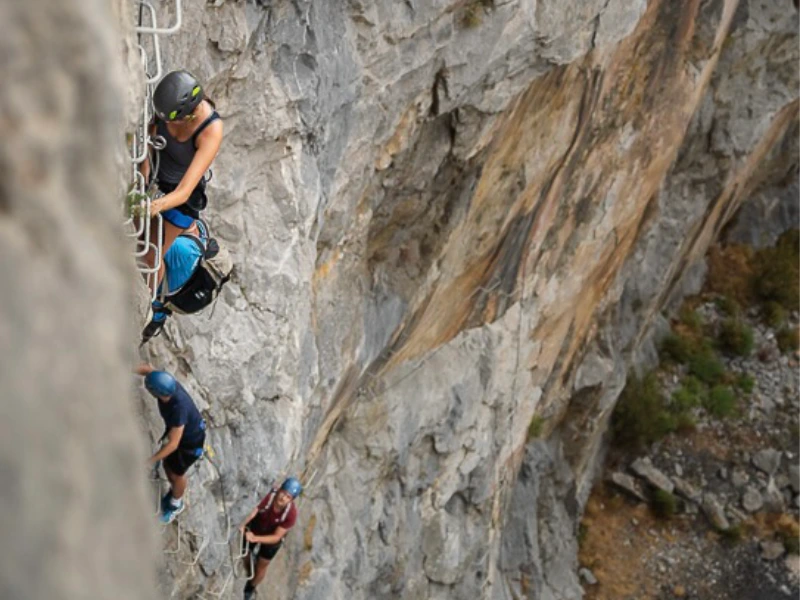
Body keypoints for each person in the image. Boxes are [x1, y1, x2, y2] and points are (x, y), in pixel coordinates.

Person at [141, 69, 223, 287]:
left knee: (151, 254)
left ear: (190, 114)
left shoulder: (210, 129)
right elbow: (150, 142)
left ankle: (151, 309)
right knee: (137, 240)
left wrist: (153, 206)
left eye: (173, 121)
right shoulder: (169, 105)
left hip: (182, 197)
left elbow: (185, 191)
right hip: (156, 180)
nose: (168, 124)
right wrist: (141, 180)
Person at [136, 364, 207, 523]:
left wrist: (150, 461)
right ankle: (175, 492)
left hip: (188, 445)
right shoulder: (168, 384)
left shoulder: (178, 408)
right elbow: (148, 369)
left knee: (175, 474)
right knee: (168, 466)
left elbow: (174, 444)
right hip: (185, 437)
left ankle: (176, 504)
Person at [140, 219, 207, 344]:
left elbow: (149, 250)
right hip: (157, 316)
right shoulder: (200, 232)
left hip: (149, 313)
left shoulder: (180, 249)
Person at [238, 478, 302, 599]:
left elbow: (276, 537)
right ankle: (250, 570)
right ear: (279, 490)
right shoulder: (269, 496)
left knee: (262, 565)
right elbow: (254, 511)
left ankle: (250, 587)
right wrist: (242, 524)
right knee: (245, 554)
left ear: (291, 500)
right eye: (283, 493)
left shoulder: (291, 514)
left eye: (288, 497)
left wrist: (256, 538)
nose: (283, 498)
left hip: (271, 540)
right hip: (256, 527)